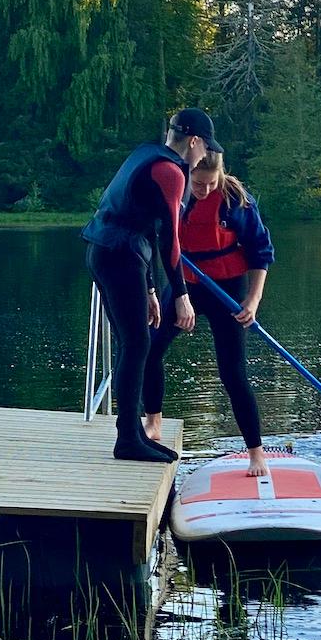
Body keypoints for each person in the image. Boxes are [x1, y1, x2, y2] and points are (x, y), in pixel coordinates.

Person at [82, 108, 222, 463]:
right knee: (136, 344)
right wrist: (182, 296)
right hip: (120, 257)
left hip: (105, 252)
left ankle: (131, 434)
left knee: (134, 344)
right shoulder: (171, 172)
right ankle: (128, 440)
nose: (205, 155)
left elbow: (139, 223)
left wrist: (149, 291)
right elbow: (170, 241)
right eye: (205, 148)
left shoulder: (144, 155)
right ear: (193, 141)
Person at [142, 151, 275, 476]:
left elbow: (261, 252)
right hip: (185, 282)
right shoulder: (175, 195)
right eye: (197, 183)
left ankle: (256, 453)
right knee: (149, 348)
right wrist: (172, 296)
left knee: (232, 373)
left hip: (228, 287)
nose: (202, 189)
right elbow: (154, 238)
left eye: (209, 183)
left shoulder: (236, 201)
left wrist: (253, 301)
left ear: (220, 174)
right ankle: (153, 423)